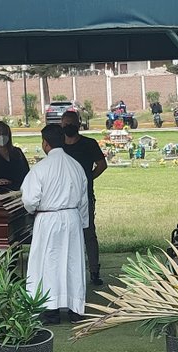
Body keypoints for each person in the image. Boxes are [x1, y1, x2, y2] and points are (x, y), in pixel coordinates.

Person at [21, 124, 89, 325]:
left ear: (45, 143)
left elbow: (30, 200)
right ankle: (76, 308)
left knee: (49, 262)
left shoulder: (40, 168)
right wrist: (82, 222)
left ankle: (51, 310)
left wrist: (33, 211)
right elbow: (84, 199)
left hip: (48, 218)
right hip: (72, 218)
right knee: (73, 262)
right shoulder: (76, 166)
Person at [61, 110, 108, 285]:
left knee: (88, 234)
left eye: (72, 124)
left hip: (84, 197)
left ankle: (94, 270)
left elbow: (102, 165)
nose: (68, 127)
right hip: (63, 199)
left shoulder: (89, 144)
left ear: (79, 125)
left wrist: (87, 178)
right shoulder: (59, 146)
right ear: (61, 125)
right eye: (65, 124)